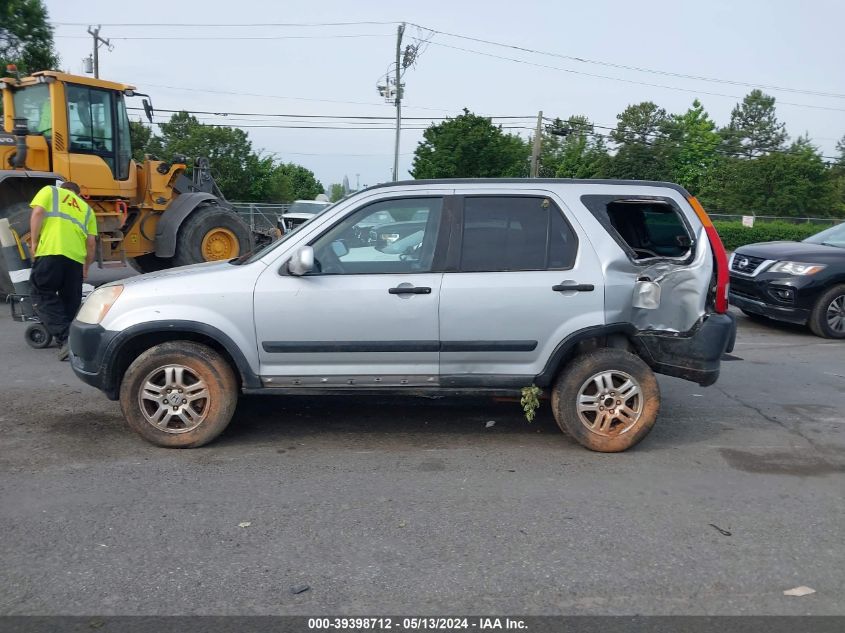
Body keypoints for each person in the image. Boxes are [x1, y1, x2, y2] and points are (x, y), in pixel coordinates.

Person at [29, 182, 97, 360]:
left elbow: (37, 213)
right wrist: (86, 266)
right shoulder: (87, 209)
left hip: (51, 251)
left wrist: (34, 242)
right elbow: (91, 243)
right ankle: (73, 343)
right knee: (70, 300)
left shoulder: (50, 191)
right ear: (78, 194)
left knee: (41, 292)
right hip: (75, 259)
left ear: (63, 188)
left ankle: (67, 338)